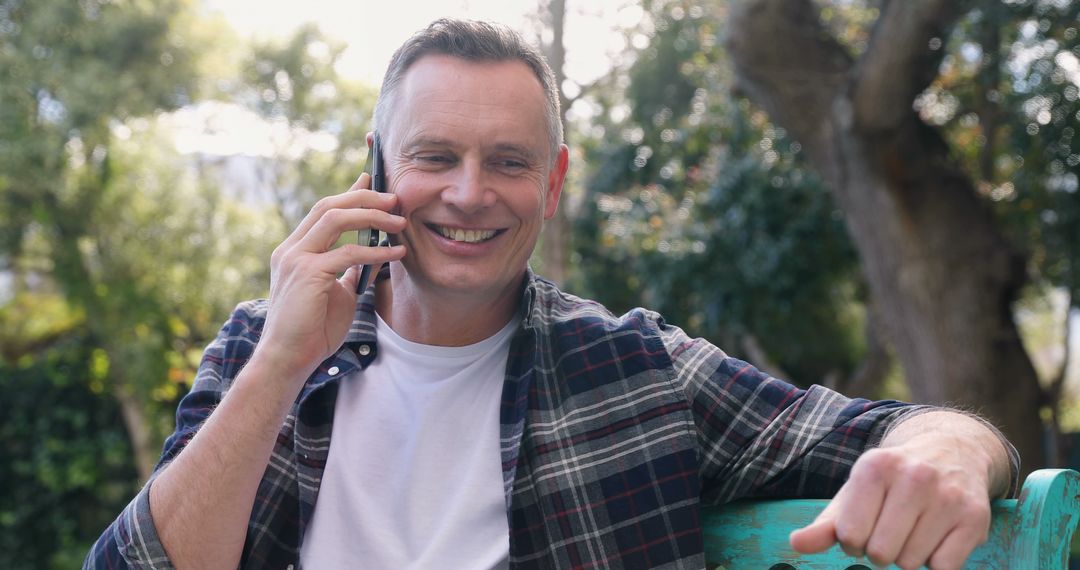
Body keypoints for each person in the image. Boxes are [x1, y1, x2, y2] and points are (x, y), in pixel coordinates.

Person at [86, 18, 1018, 570]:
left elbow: (891, 429)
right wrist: (283, 361)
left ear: (555, 183)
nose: (468, 192)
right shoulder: (264, 345)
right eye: (434, 156)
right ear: (376, 167)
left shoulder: (636, 367)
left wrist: (954, 447)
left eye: (509, 162)